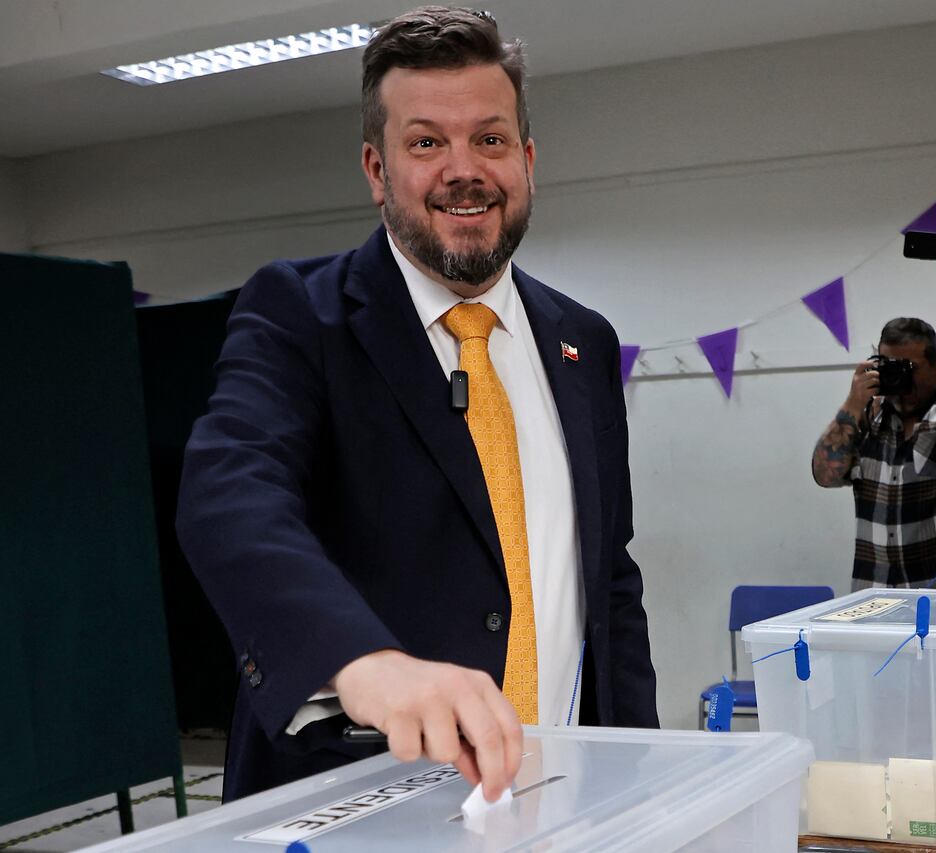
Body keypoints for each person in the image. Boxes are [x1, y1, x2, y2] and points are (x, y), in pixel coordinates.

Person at [176, 6, 658, 803]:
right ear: (377, 169)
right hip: (357, 807)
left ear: (527, 160)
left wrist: (641, 776)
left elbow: (609, 582)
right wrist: (363, 662)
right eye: (427, 142)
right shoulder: (300, 314)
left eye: (490, 139)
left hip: (560, 800)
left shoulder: (585, 342)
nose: (464, 170)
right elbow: (229, 496)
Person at [811, 232, 936, 589]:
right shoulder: (867, 418)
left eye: (911, 368)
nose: (901, 379)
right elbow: (824, 475)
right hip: (877, 601)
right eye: (891, 367)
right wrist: (853, 403)